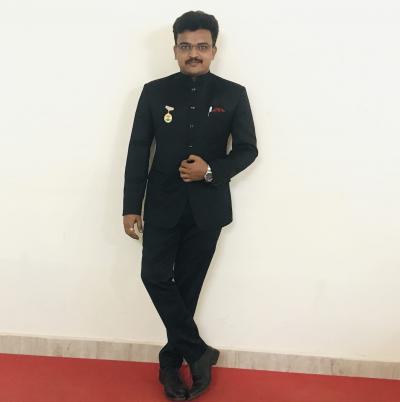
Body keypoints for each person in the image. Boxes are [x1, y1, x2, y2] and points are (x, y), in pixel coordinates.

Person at [122, 10, 258, 401]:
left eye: (201, 46)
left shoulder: (233, 94)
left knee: (187, 289)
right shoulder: (154, 92)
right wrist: (131, 206)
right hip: (161, 204)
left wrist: (211, 170)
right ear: (175, 49)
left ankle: (169, 366)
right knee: (154, 276)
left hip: (208, 209)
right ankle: (199, 353)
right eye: (185, 46)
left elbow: (248, 149)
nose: (193, 53)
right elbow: (138, 150)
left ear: (214, 50)